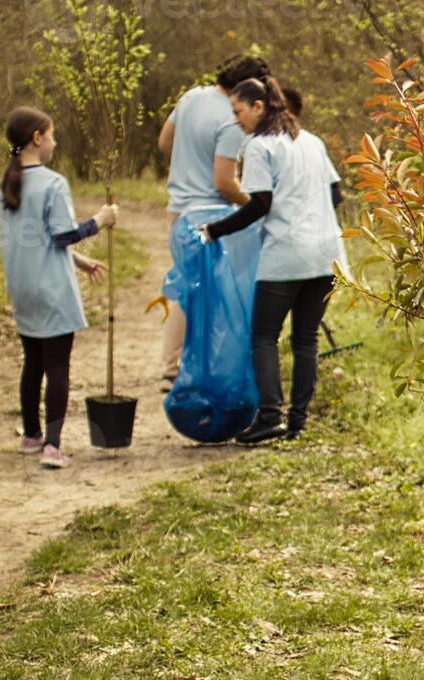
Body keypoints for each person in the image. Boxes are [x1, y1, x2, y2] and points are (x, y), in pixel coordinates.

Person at [196, 76, 346, 444]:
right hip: (327, 255)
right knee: (305, 340)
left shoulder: (261, 146)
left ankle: (268, 417)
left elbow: (259, 205)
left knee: (263, 336)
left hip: (287, 254)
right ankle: (297, 422)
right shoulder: (311, 142)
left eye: (238, 111)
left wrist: (214, 230)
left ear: (258, 106)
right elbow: (336, 195)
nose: (236, 120)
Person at [0, 106, 115, 470]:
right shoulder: (52, 182)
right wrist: (100, 220)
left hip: (24, 289)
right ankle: (54, 445)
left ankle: (31, 436)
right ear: (37, 138)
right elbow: (62, 234)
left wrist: (78, 261)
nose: (55, 142)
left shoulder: (6, 186)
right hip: (52, 291)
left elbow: (35, 240)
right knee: (58, 366)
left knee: (33, 363)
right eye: (52, 135)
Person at [155, 56, 269, 390]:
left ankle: (174, 366)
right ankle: (185, 369)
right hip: (210, 212)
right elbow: (223, 182)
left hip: (177, 209)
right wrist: (257, 204)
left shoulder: (191, 97)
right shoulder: (233, 119)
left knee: (189, 284)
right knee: (216, 293)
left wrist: (191, 161)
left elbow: (164, 143)